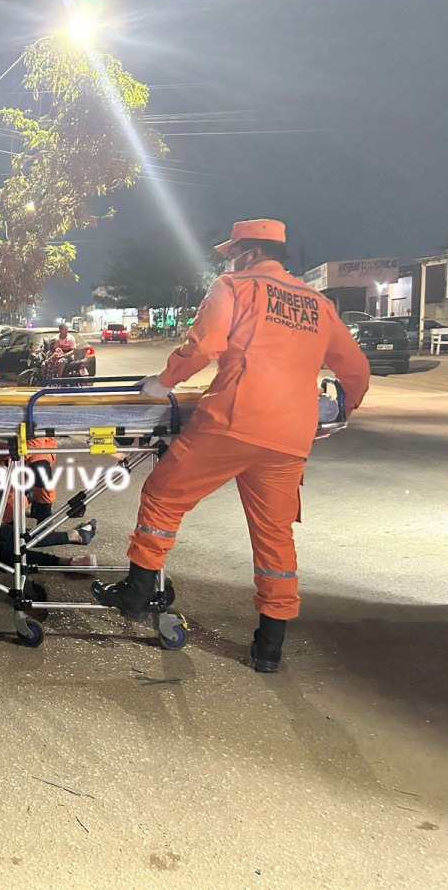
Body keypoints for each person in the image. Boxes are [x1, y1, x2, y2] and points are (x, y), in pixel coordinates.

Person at [91, 219, 371, 673]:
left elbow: (203, 346)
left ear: (247, 251)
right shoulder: (318, 303)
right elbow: (355, 369)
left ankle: (138, 590)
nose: (229, 260)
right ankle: (269, 647)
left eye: (232, 252)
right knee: (275, 537)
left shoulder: (234, 286)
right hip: (289, 438)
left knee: (164, 495)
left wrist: (163, 382)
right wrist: (340, 412)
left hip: (233, 421)